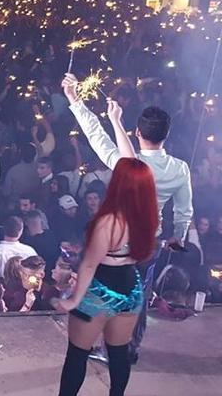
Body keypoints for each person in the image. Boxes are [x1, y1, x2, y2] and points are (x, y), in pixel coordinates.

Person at [63, 74, 193, 363]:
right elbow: (184, 208)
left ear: (137, 133)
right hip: (151, 239)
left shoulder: (129, 163)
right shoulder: (179, 168)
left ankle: (111, 348)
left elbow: (95, 135)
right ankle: (128, 348)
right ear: (165, 134)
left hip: (119, 239)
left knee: (110, 291)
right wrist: (179, 235)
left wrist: (75, 100)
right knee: (139, 293)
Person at [53, 158, 159, 396]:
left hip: (100, 292)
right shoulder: (148, 216)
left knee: (77, 354)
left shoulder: (108, 221)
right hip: (132, 290)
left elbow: (90, 265)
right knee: (119, 352)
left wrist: (73, 300)